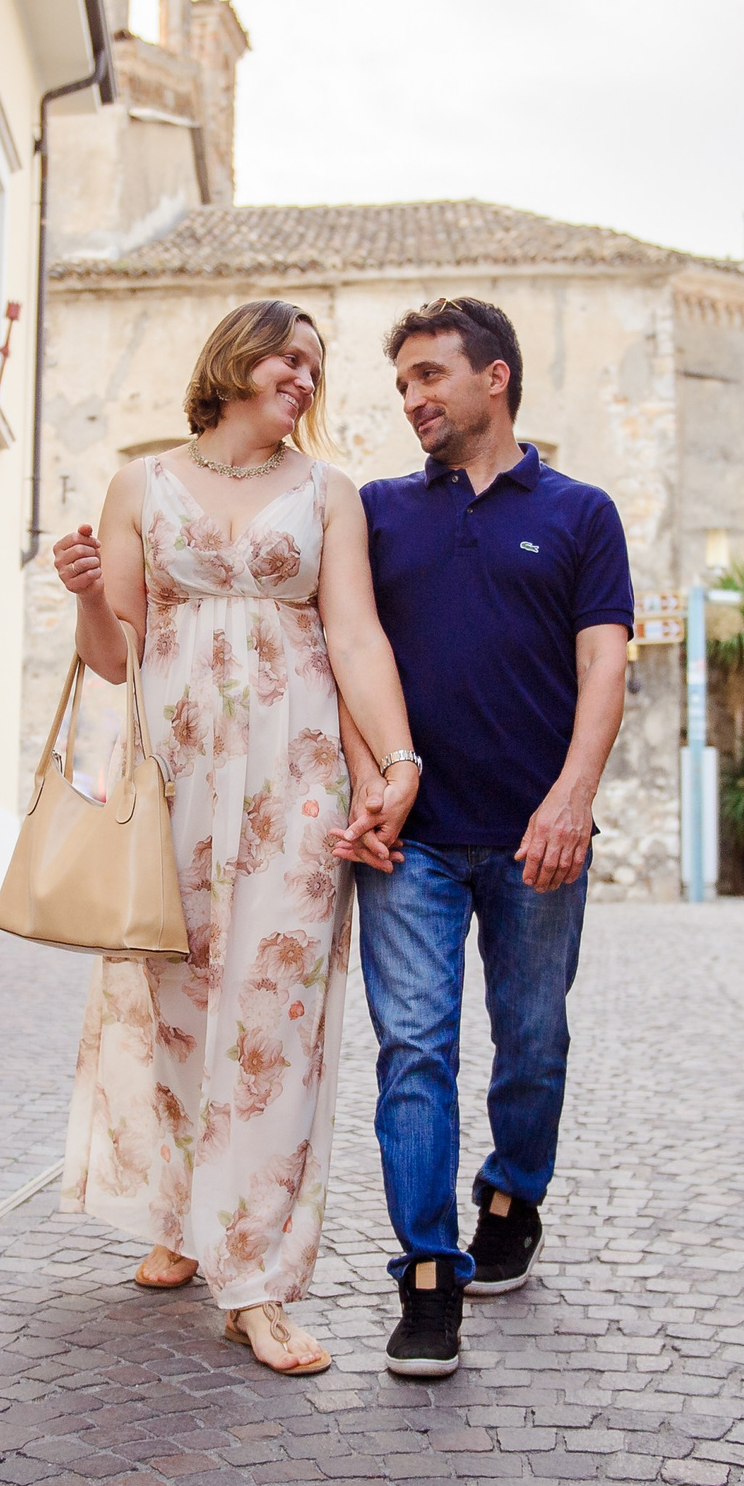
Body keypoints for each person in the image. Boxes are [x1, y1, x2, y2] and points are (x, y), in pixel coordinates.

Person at [52, 299, 420, 1377]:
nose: (302, 375)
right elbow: (117, 654)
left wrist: (395, 764)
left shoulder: (327, 494)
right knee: (172, 1003)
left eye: (314, 363)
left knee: (274, 1021)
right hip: (172, 781)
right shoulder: (140, 485)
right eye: (283, 355)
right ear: (232, 363)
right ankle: (179, 1215)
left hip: (294, 783)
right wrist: (81, 597)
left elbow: (353, 632)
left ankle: (253, 1280)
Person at [334, 296, 632, 1379]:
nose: (411, 398)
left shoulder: (581, 513)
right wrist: (372, 784)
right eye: (403, 382)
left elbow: (604, 665)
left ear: (492, 378)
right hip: (408, 843)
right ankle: (426, 1276)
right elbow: (344, 652)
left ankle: (511, 1189)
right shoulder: (374, 511)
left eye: (428, 376)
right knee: (412, 1049)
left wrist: (570, 799)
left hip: (533, 837)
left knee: (533, 1037)